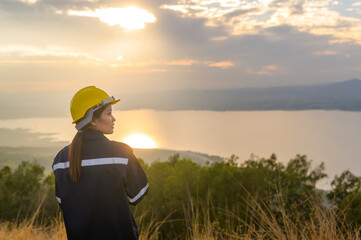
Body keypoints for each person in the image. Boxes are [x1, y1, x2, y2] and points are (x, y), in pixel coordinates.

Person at [52, 86, 149, 240]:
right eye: (109, 113)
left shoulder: (60, 160)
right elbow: (137, 195)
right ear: (92, 120)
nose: (114, 119)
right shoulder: (121, 154)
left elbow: (63, 202)